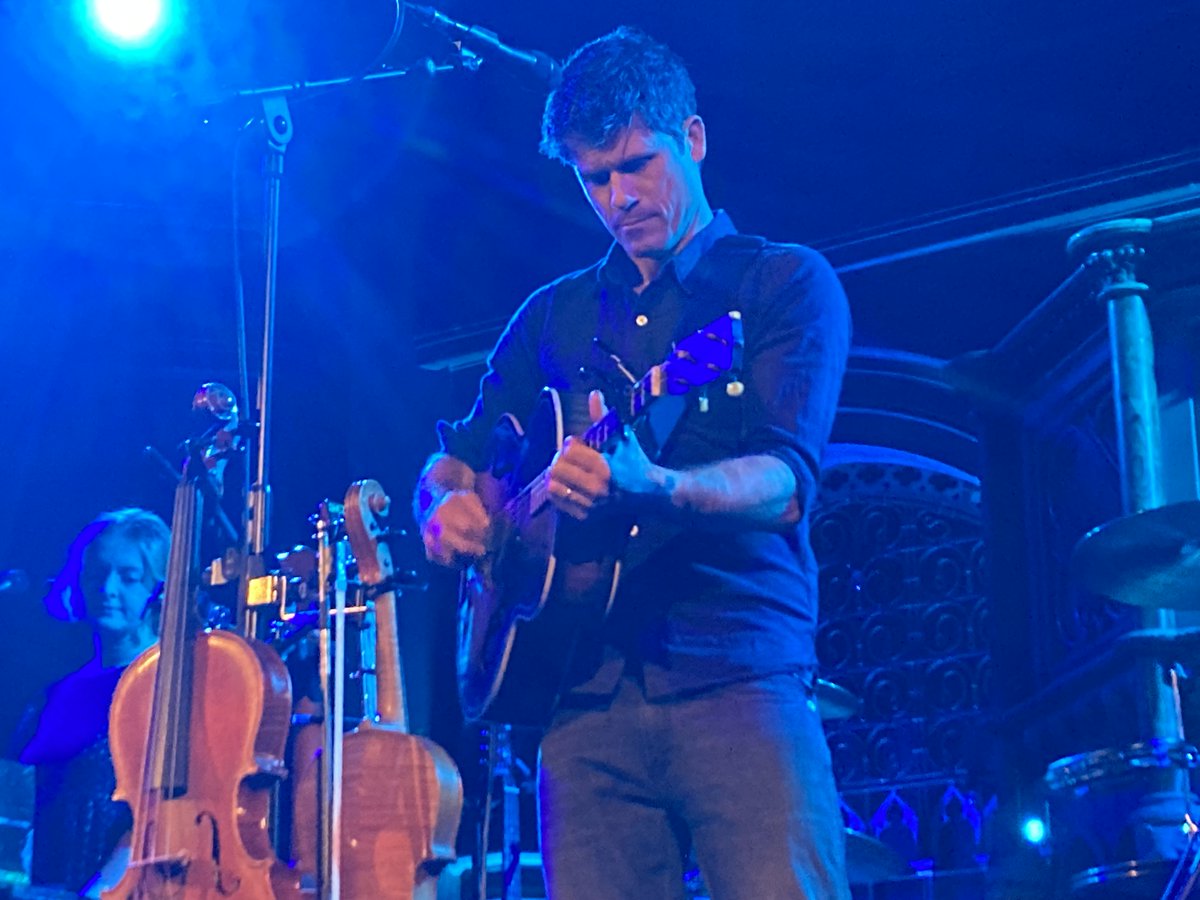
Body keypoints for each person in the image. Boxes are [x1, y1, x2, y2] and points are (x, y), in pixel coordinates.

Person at [413, 26, 851, 899]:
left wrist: (663, 487)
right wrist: (443, 507)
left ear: (691, 139)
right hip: (580, 696)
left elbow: (785, 481)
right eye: (595, 178)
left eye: (637, 164)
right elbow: (458, 459)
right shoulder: (551, 317)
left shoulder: (781, 286)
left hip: (738, 675)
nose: (619, 198)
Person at [13, 508, 170, 896]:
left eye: (129, 577)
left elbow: (159, 815)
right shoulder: (51, 697)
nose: (108, 588)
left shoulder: (168, 687)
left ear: (158, 589)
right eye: (97, 574)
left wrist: (100, 891)